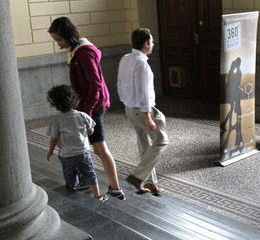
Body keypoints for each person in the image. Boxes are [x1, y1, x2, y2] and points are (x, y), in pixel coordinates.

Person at [48, 17, 125, 200]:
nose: (58, 44)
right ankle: (87, 180)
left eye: (59, 39)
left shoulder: (83, 53)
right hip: (89, 106)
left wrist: (86, 113)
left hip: (93, 106)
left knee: (100, 149)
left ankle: (115, 188)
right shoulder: (76, 50)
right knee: (95, 148)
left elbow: (95, 85)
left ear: (68, 35)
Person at [117, 28, 169, 196]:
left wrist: (125, 106)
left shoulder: (126, 58)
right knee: (161, 141)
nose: (153, 44)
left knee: (144, 144)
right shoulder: (141, 63)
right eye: (152, 41)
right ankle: (138, 176)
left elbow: (121, 83)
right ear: (146, 43)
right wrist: (148, 117)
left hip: (130, 109)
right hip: (141, 110)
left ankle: (150, 183)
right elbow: (143, 92)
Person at [46, 85, 108, 202]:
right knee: (89, 172)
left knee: (69, 173)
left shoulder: (56, 120)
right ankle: (97, 195)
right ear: (75, 99)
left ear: (55, 104)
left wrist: (50, 151)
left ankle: (73, 187)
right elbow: (91, 130)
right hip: (82, 153)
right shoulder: (82, 115)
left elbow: (53, 138)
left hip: (65, 154)